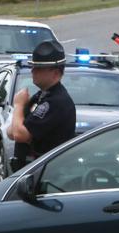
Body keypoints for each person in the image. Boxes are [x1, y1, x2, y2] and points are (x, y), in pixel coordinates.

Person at [6, 40, 76, 171]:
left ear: (55, 73)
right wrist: (19, 126)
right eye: (33, 66)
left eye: (39, 68)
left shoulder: (56, 101)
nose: (32, 71)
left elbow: (19, 134)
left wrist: (19, 105)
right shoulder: (41, 97)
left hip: (45, 173)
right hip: (30, 171)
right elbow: (12, 132)